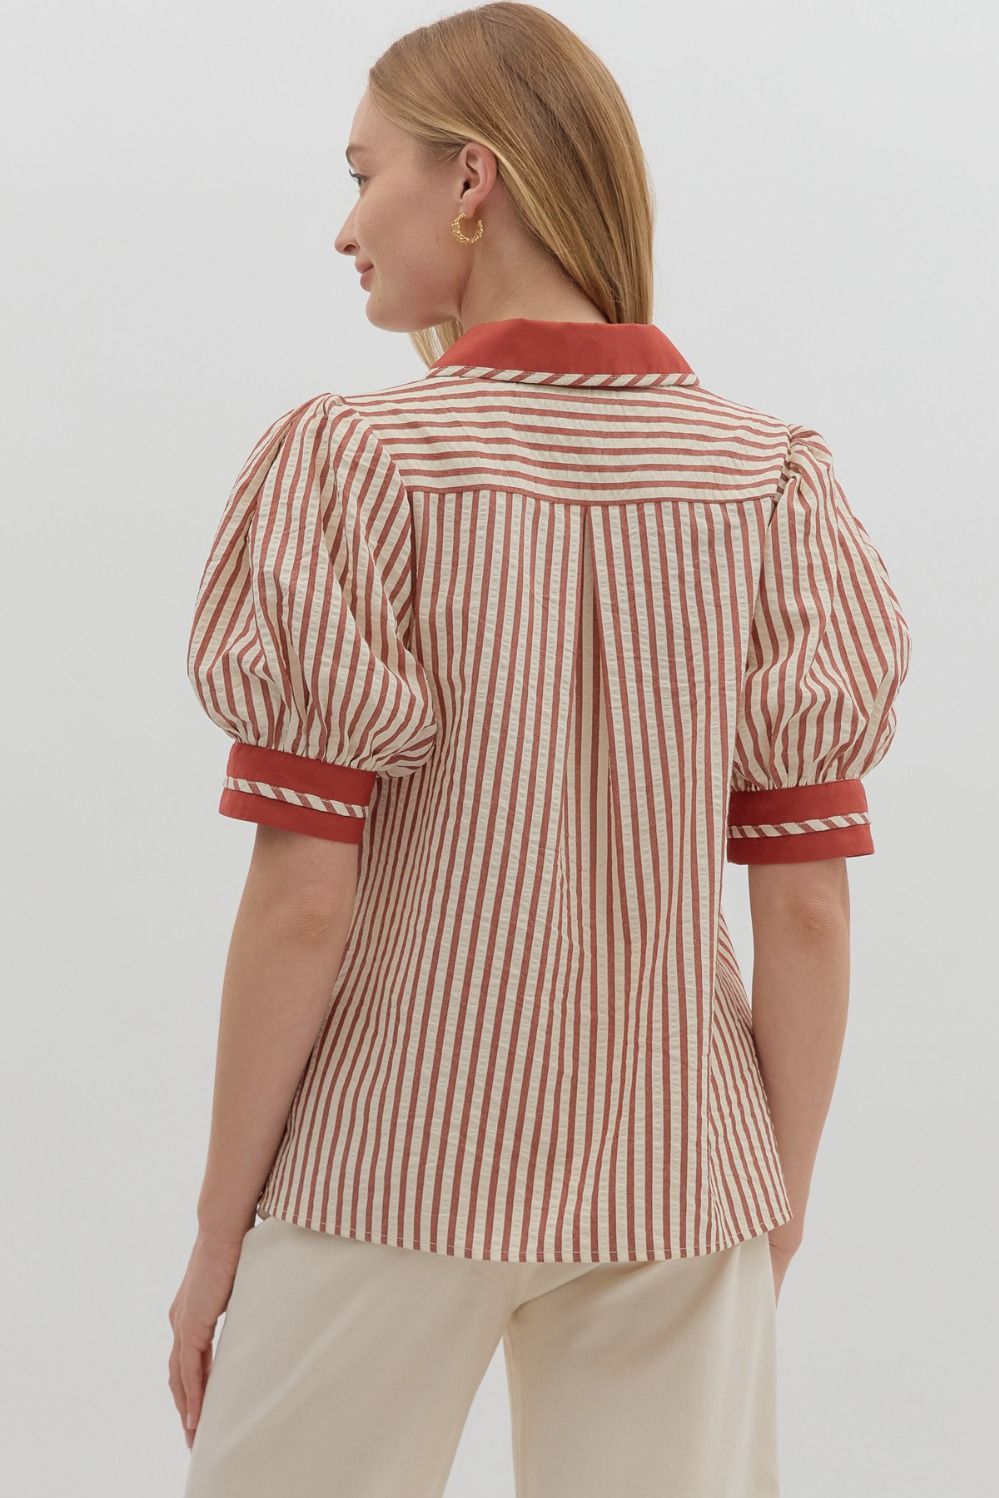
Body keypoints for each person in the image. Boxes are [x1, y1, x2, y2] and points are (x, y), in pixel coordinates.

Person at [169, 5, 912, 1495]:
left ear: (472, 179)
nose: (343, 227)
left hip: (390, 1160)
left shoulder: (356, 464)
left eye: (363, 172)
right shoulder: (772, 481)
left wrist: (215, 1236)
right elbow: (810, 909)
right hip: (682, 1174)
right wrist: (773, 1203)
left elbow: (304, 900)